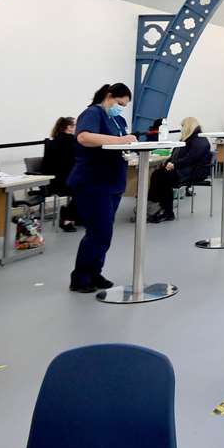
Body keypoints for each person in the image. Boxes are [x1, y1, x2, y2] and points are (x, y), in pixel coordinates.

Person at [68, 82, 138, 293]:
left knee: (105, 233)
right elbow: (85, 137)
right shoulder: (93, 113)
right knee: (98, 231)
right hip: (93, 182)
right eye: (118, 103)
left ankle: (95, 272)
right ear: (108, 96)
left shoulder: (116, 119)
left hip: (112, 183)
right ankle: (80, 278)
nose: (120, 108)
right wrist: (120, 139)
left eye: (124, 105)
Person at [147, 116, 213, 223]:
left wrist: (174, 164)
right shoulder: (189, 138)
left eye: (183, 126)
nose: (181, 128)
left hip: (193, 171)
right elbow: (177, 155)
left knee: (163, 177)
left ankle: (166, 211)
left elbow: (191, 158)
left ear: (188, 126)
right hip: (184, 169)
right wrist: (169, 162)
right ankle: (155, 205)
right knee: (157, 174)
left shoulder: (200, 141)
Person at [40, 116, 78, 232]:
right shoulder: (70, 141)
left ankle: (76, 216)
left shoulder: (55, 140)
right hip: (61, 181)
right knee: (87, 189)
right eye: (76, 125)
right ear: (69, 127)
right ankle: (67, 217)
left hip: (53, 180)